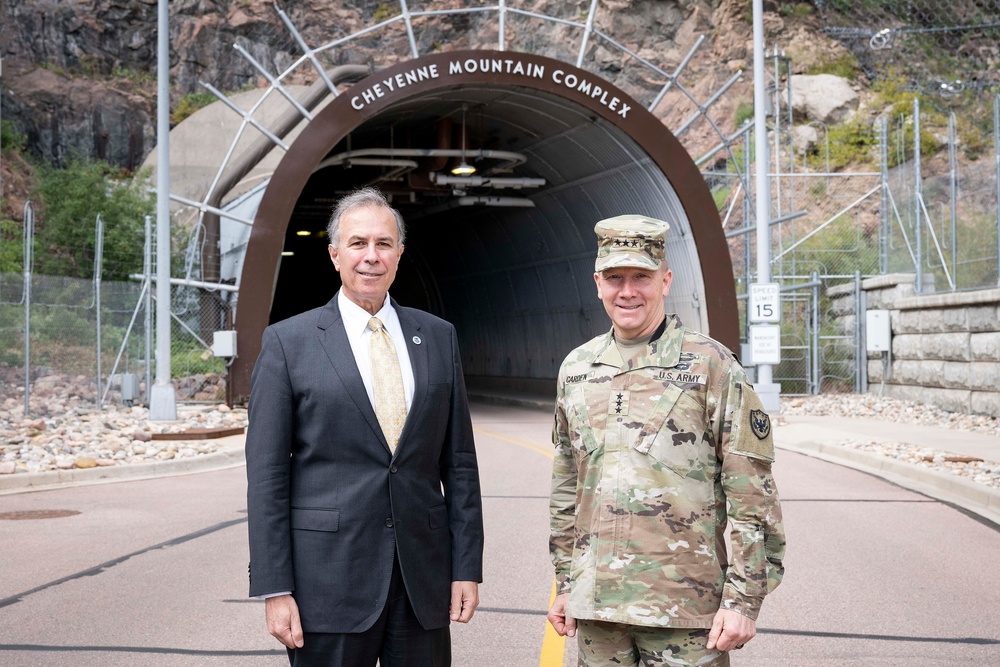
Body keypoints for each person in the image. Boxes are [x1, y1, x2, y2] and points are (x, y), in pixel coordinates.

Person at [246, 187, 484, 667]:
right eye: (358, 244)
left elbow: (458, 463)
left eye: (383, 244)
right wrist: (275, 587)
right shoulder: (287, 343)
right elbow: (268, 475)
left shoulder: (438, 337)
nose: (370, 257)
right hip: (327, 583)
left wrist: (466, 568)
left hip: (422, 582)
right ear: (335, 255)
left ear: (399, 253)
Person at [546, 214, 785, 667]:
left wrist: (743, 600)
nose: (628, 290)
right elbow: (565, 485)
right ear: (598, 283)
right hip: (598, 610)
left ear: (666, 280)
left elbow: (752, 493)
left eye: (642, 276)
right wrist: (566, 583)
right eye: (615, 277)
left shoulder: (710, 365)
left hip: (685, 610)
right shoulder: (577, 369)